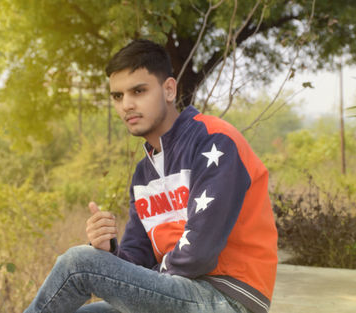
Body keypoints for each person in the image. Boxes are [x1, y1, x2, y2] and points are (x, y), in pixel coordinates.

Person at [24, 39, 277, 313]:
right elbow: (137, 261)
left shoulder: (214, 141)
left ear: (169, 90)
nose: (126, 105)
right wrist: (110, 253)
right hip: (178, 293)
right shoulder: (143, 175)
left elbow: (198, 256)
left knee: (78, 265)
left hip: (228, 298)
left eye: (138, 91)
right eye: (118, 96)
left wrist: (107, 270)